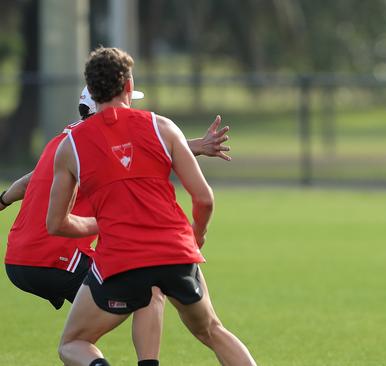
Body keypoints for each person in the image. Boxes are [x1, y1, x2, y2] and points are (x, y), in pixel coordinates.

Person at [46, 46, 256, 366]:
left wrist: (102, 225)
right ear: (129, 86)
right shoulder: (163, 127)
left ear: (91, 88)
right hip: (175, 251)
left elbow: (56, 224)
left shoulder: (70, 146)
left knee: (74, 342)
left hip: (120, 260)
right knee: (212, 330)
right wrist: (195, 238)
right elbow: (204, 198)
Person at [0, 85, 233, 365]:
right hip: (53, 255)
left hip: (16, 260)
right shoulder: (92, 143)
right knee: (148, 288)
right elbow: (141, 157)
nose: (128, 110)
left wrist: (2, 200)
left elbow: (28, 181)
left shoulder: (63, 143)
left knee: (86, 331)